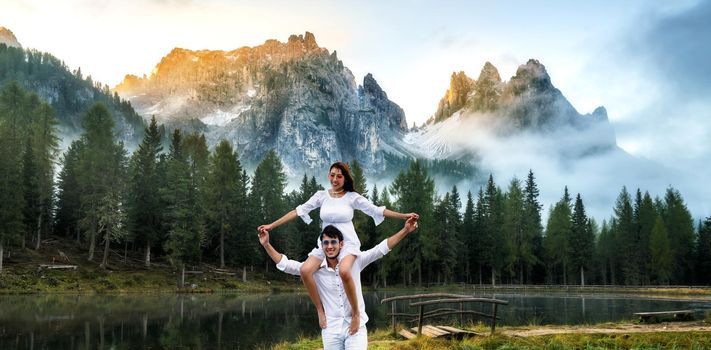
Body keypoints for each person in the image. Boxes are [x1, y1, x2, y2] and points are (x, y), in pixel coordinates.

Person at [257, 161, 418, 335]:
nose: (335, 179)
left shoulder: (352, 197)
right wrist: (271, 226)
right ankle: (320, 310)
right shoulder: (321, 196)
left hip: (347, 244)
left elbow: (377, 211)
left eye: (339, 176)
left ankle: (356, 314)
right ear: (328, 175)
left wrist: (404, 216)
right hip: (326, 244)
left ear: (345, 178)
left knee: (345, 271)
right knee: (304, 270)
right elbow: (297, 211)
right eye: (332, 175)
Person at [258, 217, 418, 349]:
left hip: (356, 326)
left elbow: (381, 248)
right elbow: (286, 264)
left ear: (341, 244)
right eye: (326, 243)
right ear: (321, 246)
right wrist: (266, 245)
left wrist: (405, 230)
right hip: (331, 328)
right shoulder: (314, 269)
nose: (330, 246)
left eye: (333, 242)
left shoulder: (355, 262)